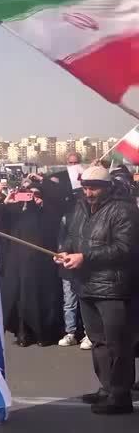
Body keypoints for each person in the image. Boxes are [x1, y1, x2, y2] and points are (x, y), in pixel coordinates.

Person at [56, 165, 137, 415]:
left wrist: (85, 257)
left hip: (114, 287)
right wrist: (65, 251)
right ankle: (107, 388)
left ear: (106, 187)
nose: (88, 193)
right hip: (86, 285)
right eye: (85, 187)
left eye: (93, 188)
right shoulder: (79, 208)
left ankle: (120, 395)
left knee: (118, 344)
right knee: (99, 343)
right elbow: (72, 236)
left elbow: (125, 248)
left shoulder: (124, 210)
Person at [0, 179, 64, 347]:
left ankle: (43, 334)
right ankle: (23, 333)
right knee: (21, 299)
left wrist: (43, 204)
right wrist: (7, 202)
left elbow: (54, 225)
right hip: (18, 263)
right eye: (29, 193)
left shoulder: (48, 212)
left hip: (41, 265)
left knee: (43, 299)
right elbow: (0, 222)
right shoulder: (16, 211)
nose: (32, 197)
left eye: (36, 194)